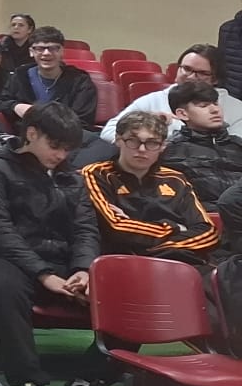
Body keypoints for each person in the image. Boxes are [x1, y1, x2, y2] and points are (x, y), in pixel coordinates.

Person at [0, 102, 113, 386]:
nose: (61, 155)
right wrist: (43, 274)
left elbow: (85, 230)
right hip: (7, 259)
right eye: (55, 145)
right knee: (3, 285)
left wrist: (83, 269)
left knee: (129, 293)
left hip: (63, 263)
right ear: (31, 134)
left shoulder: (72, 178)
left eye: (67, 149)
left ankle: (87, 383)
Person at [81, 110, 220, 267]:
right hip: (125, 263)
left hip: (182, 261)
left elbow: (208, 233)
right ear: (118, 140)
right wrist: (175, 228)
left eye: (152, 143)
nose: (142, 149)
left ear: (163, 146)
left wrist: (155, 251)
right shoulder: (96, 173)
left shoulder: (176, 179)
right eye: (133, 141)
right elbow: (116, 227)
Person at [100, 46, 239, 141]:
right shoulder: (153, 100)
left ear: (215, 79)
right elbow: (109, 132)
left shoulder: (236, 108)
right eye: (186, 69)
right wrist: (148, 130)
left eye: (202, 73)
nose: (191, 77)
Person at [156, 80, 242, 206]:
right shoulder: (169, 150)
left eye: (215, 103)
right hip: (201, 214)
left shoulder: (237, 145)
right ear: (182, 114)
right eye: (203, 106)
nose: (215, 110)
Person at [4, 26, 98, 128]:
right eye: (40, 49)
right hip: (29, 134)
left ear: (62, 51)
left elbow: (83, 119)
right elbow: (3, 101)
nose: (46, 53)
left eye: (53, 48)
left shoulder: (80, 80)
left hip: (68, 134)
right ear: (31, 51)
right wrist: (16, 106)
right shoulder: (20, 75)